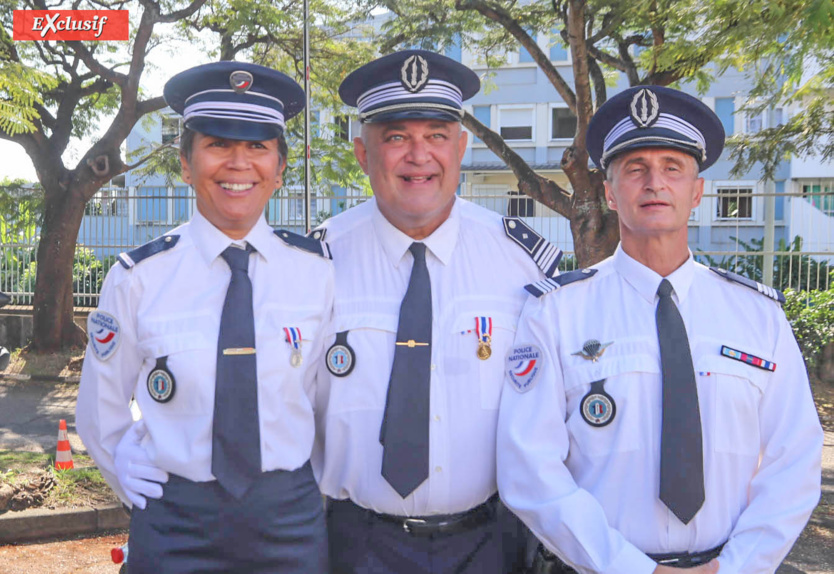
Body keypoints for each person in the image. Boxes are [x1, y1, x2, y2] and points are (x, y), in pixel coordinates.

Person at [496, 85, 824, 573]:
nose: (655, 183)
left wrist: (739, 566)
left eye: (673, 168)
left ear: (697, 191)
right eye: (635, 169)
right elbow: (529, 467)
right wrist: (631, 568)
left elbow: (794, 458)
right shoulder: (556, 312)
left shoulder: (757, 315)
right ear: (609, 191)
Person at [76, 61, 334, 573]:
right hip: (175, 521)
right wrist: (124, 471)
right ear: (186, 164)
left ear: (280, 168)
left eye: (258, 146)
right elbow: (100, 406)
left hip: (290, 522)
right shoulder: (139, 277)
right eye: (218, 143)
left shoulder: (317, 273)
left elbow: (329, 405)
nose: (239, 164)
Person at [310, 50, 561, 574]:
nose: (418, 155)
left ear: (462, 147)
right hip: (354, 544)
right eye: (397, 137)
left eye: (437, 135)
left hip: (491, 545)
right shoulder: (314, 264)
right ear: (362, 152)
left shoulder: (520, 262)